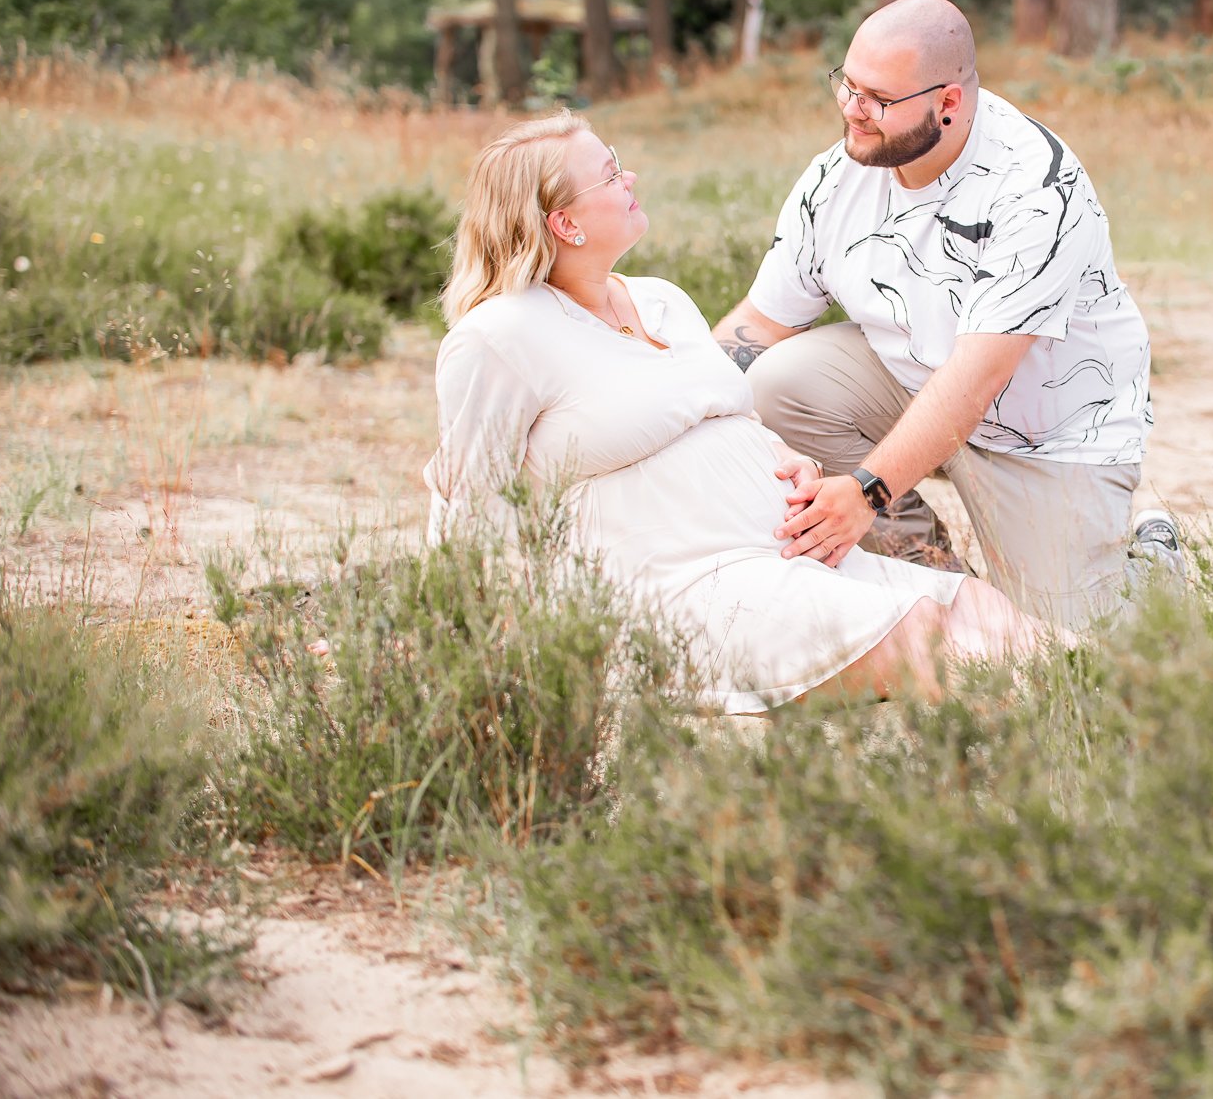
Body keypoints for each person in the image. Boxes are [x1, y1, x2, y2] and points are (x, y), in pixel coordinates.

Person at [422, 111, 1051, 713]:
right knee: (925, 634)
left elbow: (734, 420)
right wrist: (456, 644)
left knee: (979, 607)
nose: (630, 177)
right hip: (682, 588)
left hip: (789, 556)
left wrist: (789, 461)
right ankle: (1095, 721)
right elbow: (467, 500)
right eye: (611, 173)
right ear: (565, 224)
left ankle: (1111, 693)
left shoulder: (659, 299)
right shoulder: (500, 337)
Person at [712, 0, 1176, 629]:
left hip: (1049, 432)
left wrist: (866, 492)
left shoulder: (1034, 189)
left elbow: (976, 381)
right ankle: (932, 580)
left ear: (948, 103)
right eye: (846, 85)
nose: (852, 110)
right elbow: (760, 325)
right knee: (774, 381)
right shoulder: (837, 177)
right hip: (910, 380)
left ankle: (1151, 565)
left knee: (1074, 650)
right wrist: (683, 405)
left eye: (877, 97)